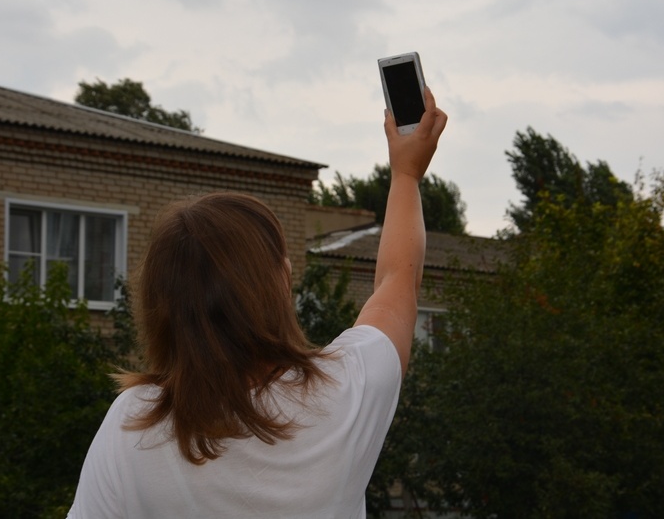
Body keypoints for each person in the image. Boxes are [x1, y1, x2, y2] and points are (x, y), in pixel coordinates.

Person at [67, 87, 448, 518]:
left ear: (159, 304)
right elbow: (398, 279)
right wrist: (405, 173)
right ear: (280, 286)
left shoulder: (132, 423)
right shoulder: (343, 392)